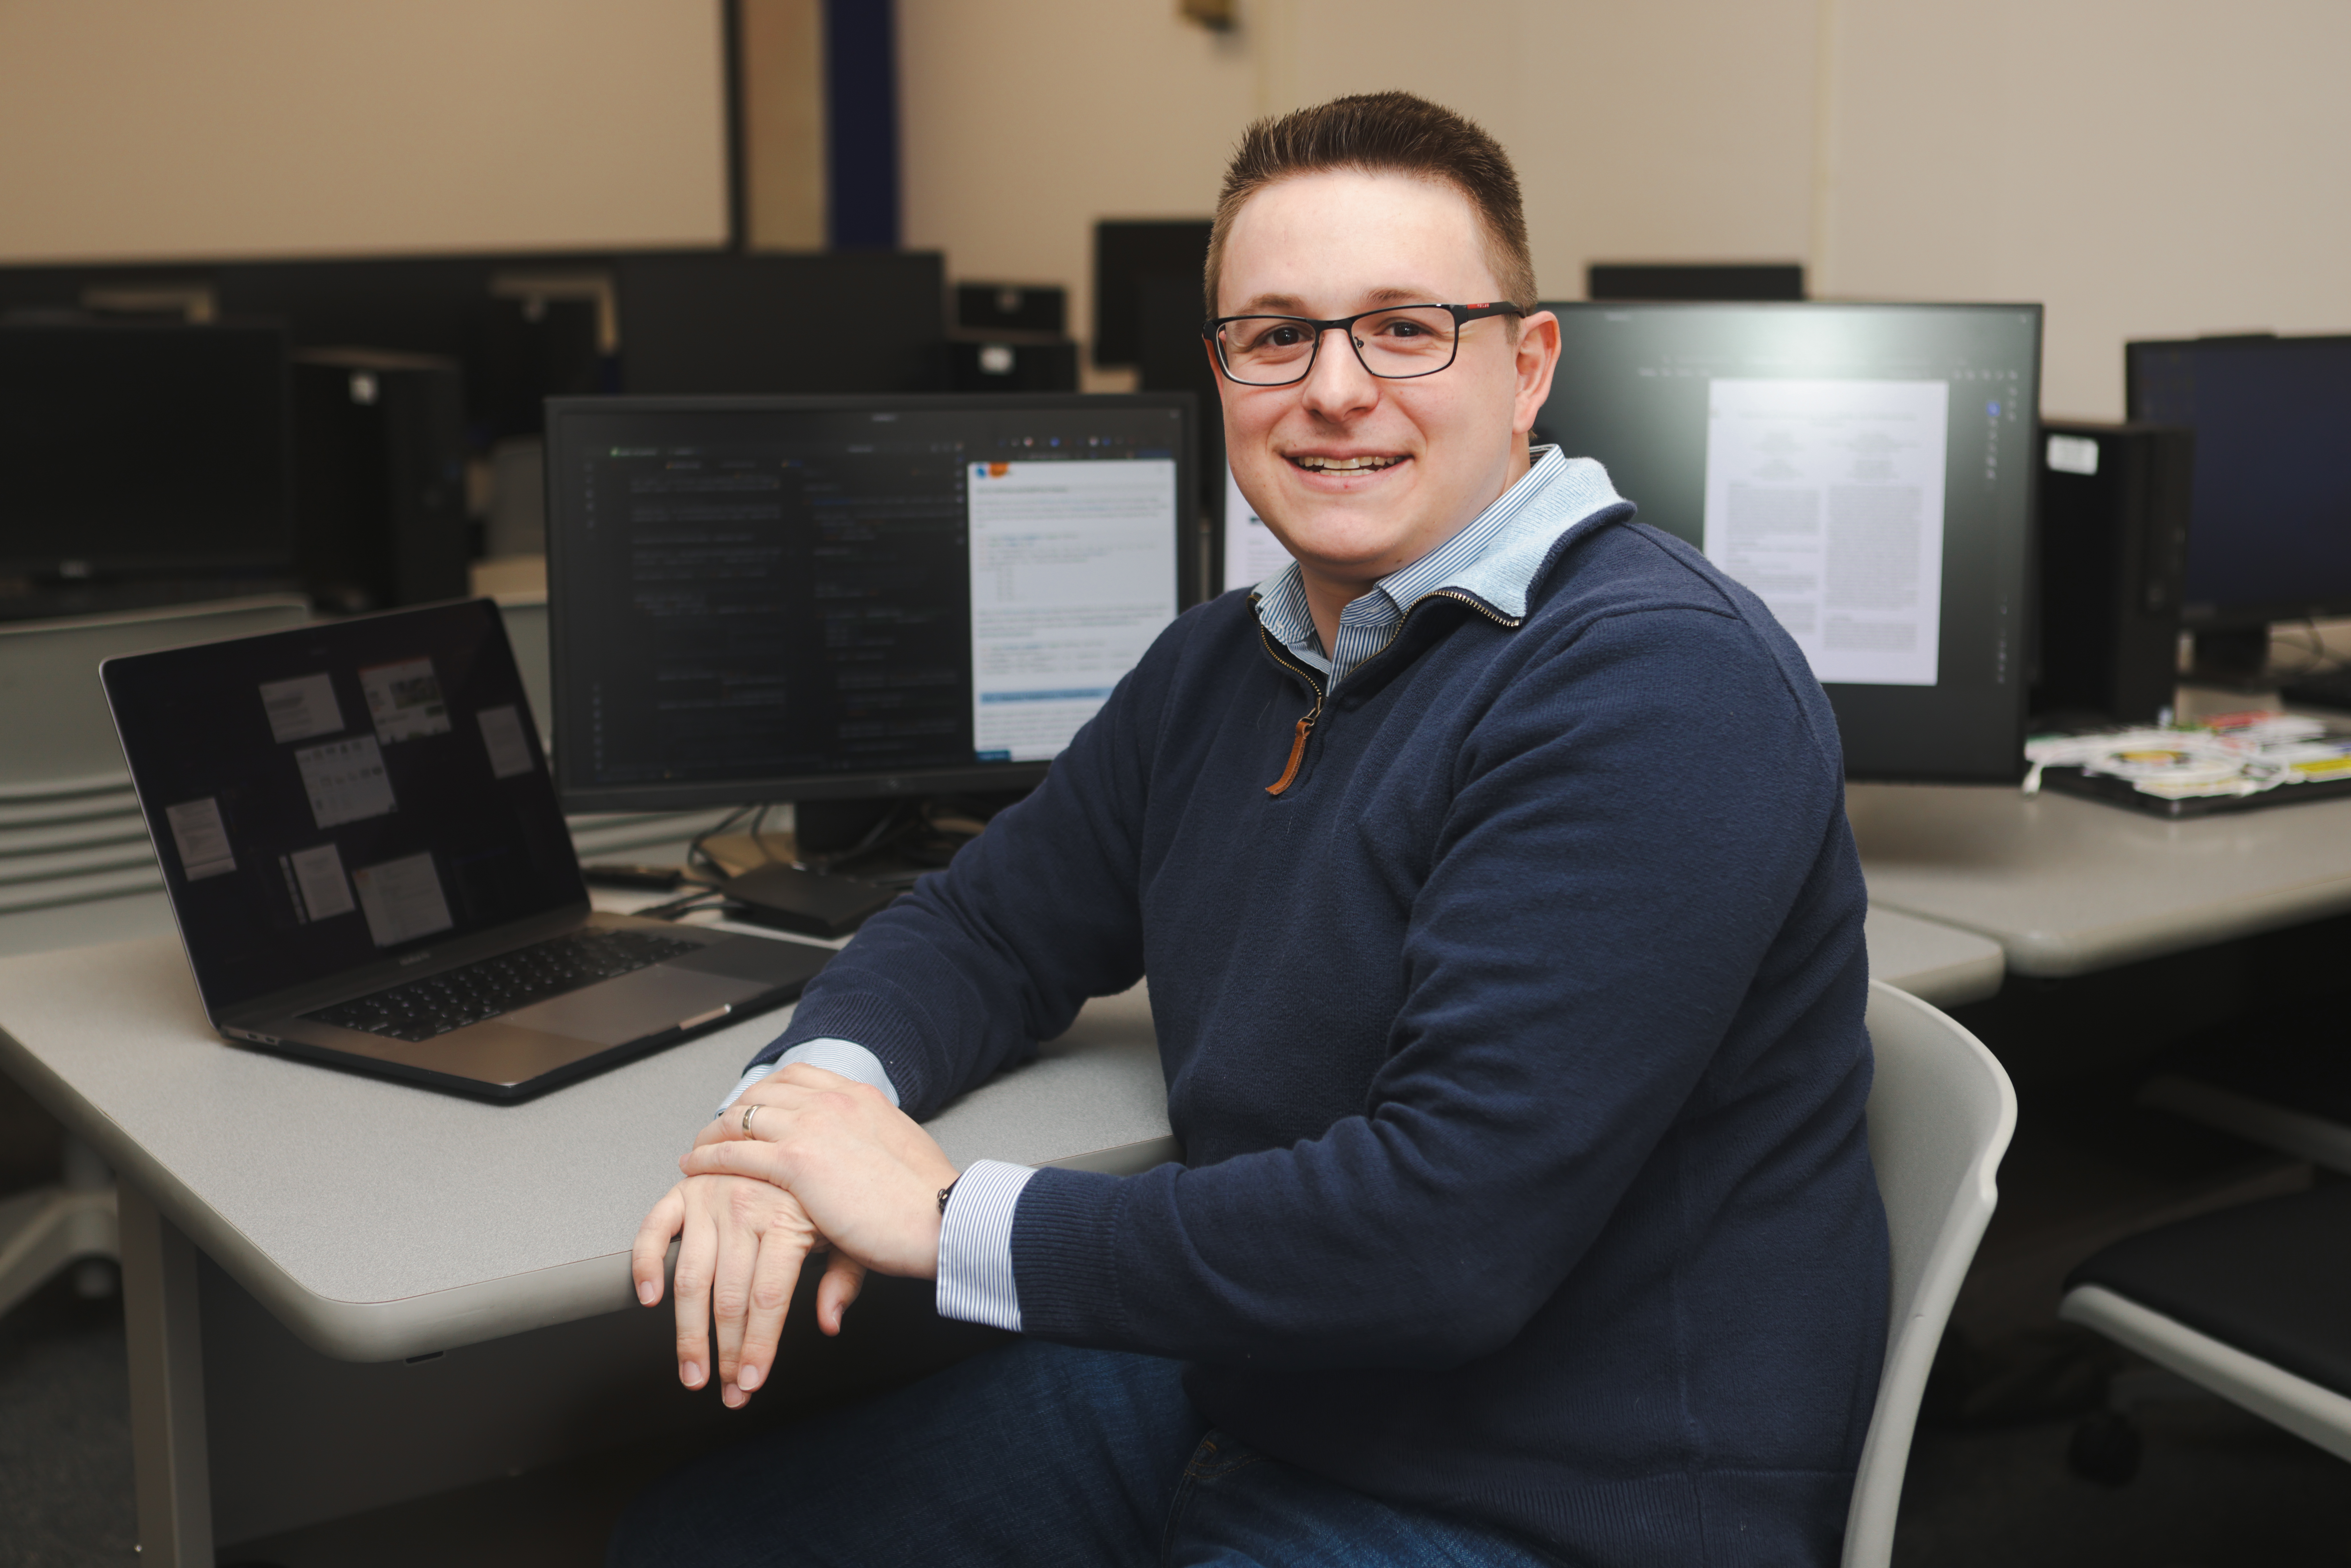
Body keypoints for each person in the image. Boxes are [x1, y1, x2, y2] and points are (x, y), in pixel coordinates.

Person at [611, 90, 1887, 1567]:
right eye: (1274, 334)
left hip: (1540, 1498)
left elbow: (1440, 1241)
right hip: (1269, 1386)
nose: (1333, 390)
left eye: (1406, 327)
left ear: (1526, 368)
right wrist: (794, 1120)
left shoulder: (1654, 680)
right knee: (689, 1543)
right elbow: (987, 926)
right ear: (1221, 372)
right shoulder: (1229, 659)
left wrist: (944, 1214)